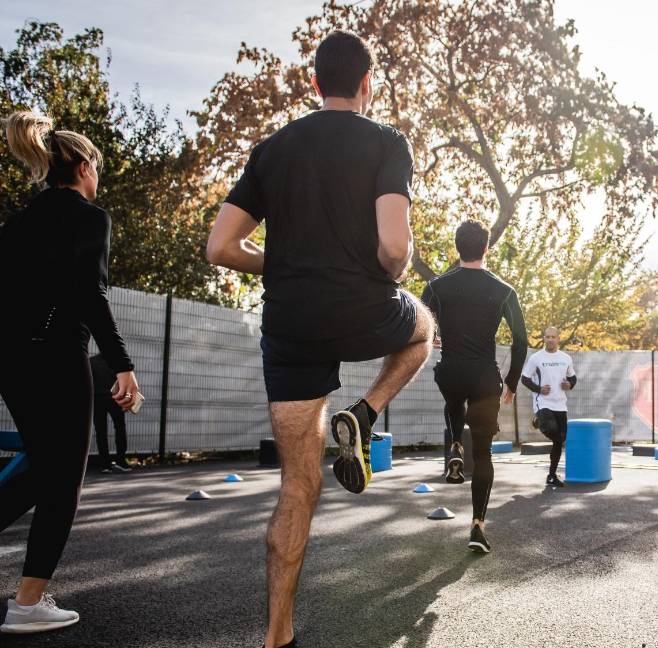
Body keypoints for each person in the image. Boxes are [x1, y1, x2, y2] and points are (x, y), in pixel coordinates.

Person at [205, 30, 433, 648]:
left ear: (314, 84)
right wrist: (391, 273)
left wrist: (277, 262)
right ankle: (365, 411)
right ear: (367, 84)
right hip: (362, 306)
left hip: (290, 325)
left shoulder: (273, 148)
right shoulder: (387, 141)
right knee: (422, 331)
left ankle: (279, 636)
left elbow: (221, 246)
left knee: (296, 489)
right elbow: (393, 248)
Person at [0, 111, 140, 633]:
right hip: (54, 354)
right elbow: (91, 296)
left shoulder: (30, 215)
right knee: (63, 477)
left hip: (10, 355)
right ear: (81, 166)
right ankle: (27, 602)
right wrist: (122, 366)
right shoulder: (89, 217)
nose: (99, 177)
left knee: (44, 468)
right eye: (96, 166)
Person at [422, 219, 528, 553]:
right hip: (484, 378)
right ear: (486, 247)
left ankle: (454, 444)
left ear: (457, 247)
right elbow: (521, 341)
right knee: (483, 453)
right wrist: (511, 382)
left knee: (453, 397)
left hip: (450, 371)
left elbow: (418, 326)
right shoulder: (504, 290)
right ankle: (477, 527)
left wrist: (434, 337)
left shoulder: (437, 286)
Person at [520, 327, 577, 486]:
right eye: (547, 337)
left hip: (560, 404)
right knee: (553, 431)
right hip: (543, 403)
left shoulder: (565, 358)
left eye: (553, 337)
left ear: (559, 338)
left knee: (560, 439)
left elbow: (573, 378)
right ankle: (539, 418)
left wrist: (569, 384)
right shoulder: (536, 358)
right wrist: (539, 389)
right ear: (544, 338)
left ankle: (551, 476)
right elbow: (525, 379)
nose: (550, 339)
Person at [90, 353, 131, 474]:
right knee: (120, 429)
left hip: (97, 400)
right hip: (115, 399)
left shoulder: (91, 361)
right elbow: (126, 382)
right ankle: (121, 461)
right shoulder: (117, 360)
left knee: (101, 432)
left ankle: (105, 464)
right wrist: (128, 399)